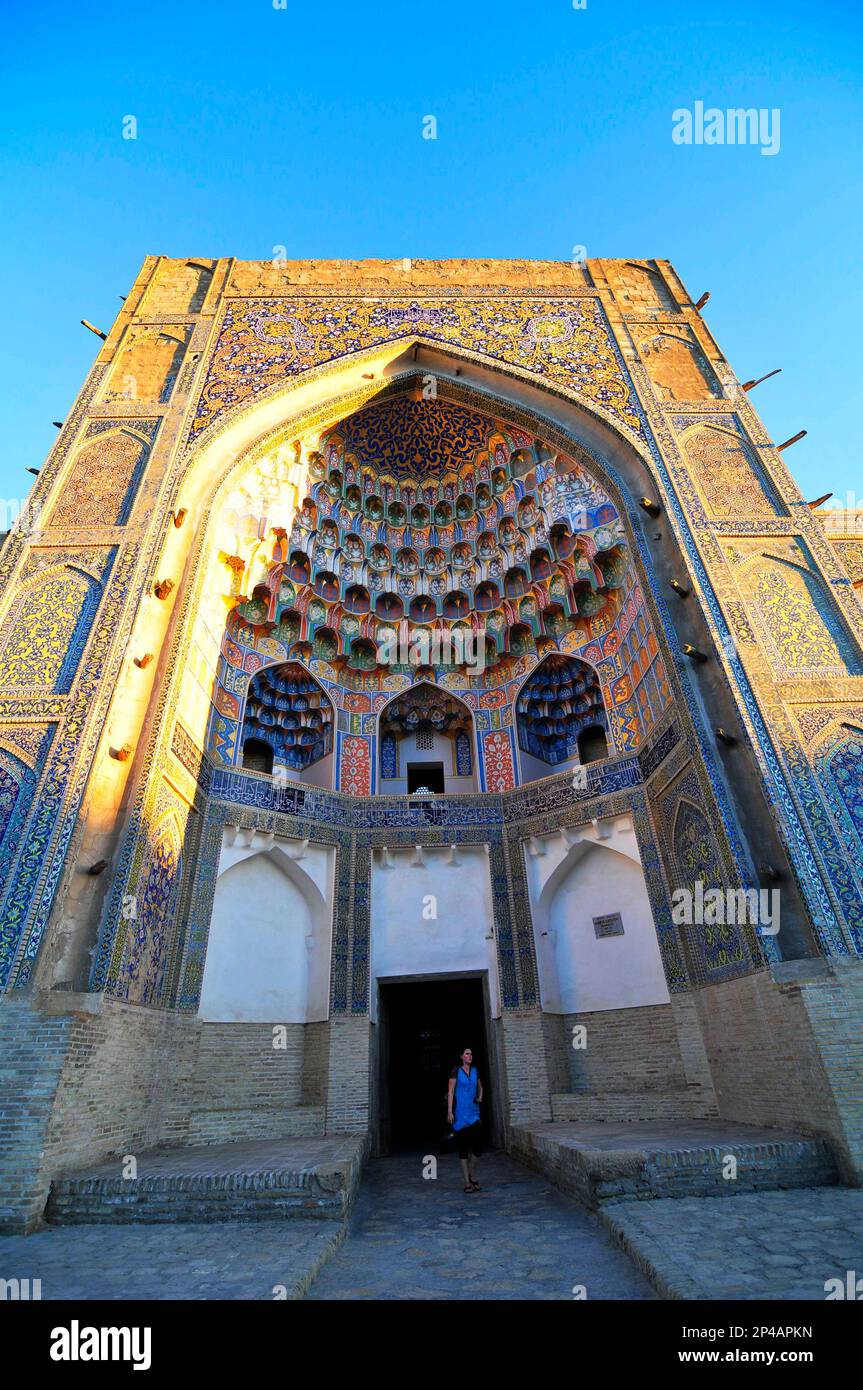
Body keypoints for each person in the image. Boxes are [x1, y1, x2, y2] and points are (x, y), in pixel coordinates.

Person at [447, 1046, 483, 1192]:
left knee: (478, 1148)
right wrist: (449, 1111)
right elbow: (450, 1092)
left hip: (474, 1114)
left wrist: (480, 1097)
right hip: (460, 1114)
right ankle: (467, 1182)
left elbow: (481, 1087)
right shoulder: (456, 1071)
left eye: (471, 1053)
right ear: (461, 1056)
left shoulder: (475, 1071)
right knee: (463, 1148)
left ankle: (472, 1173)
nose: (470, 1056)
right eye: (467, 1054)